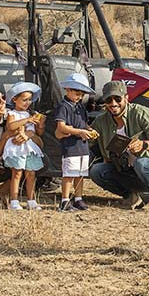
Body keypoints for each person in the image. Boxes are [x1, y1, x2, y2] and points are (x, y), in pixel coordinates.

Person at [88, 80, 149, 213]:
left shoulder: (141, 113)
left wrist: (143, 145)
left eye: (117, 99)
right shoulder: (101, 121)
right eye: (109, 100)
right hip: (127, 172)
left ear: (126, 98)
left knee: (142, 163)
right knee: (96, 171)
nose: (113, 104)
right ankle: (131, 197)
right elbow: (88, 140)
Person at [54, 73, 97, 212]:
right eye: (77, 93)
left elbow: (84, 123)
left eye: (82, 94)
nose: (79, 97)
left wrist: (90, 130)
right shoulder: (63, 107)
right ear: (68, 90)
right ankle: (65, 200)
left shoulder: (80, 107)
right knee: (69, 174)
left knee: (80, 174)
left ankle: (78, 199)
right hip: (70, 146)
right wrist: (79, 132)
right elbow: (61, 126)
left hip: (82, 146)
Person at [3, 81, 46, 211]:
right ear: (15, 99)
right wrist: (27, 120)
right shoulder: (12, 114)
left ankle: (31, 200)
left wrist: (40, 124)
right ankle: (14, 201)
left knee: (31, 174)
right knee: (17, 173)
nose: (27, 103)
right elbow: (10, 127)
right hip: (16, 148)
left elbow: (39, 133)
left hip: (30, 147)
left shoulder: (30, 114)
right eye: (24, 100)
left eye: (29, 100)